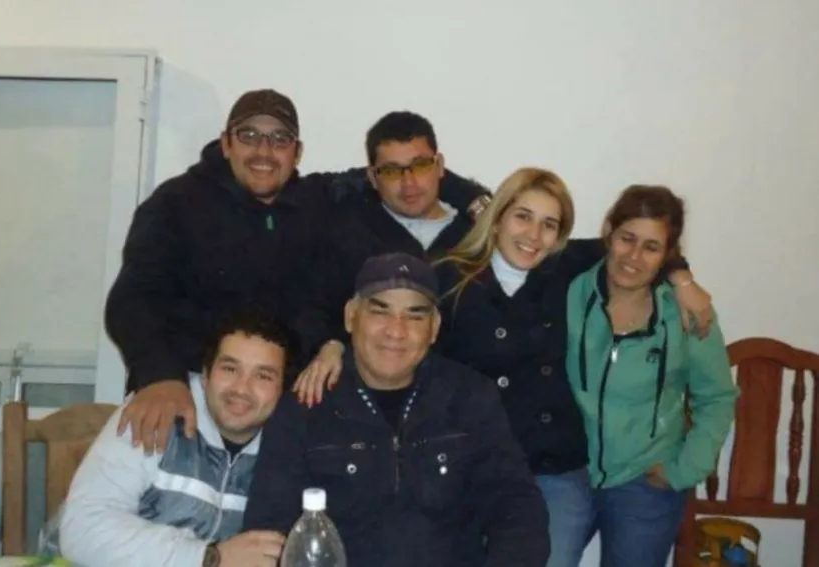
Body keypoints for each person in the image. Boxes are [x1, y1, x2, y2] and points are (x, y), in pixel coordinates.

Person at [292, 167, 715, 567]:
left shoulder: (567, 269)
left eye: (549, 225)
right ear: (497, 218)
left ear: (559, 237)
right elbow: (386, 312)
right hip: (463, 456)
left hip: (551, 465)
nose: (533, 235)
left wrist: (681, 278)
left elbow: (636, 248)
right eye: (523, 216)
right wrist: (334, 345)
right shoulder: (450, 276)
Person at [105, 89, 489, 452]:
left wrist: (474, 199)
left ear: (297, 152)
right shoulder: (176, 203)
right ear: (226, 143)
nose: (264, 151)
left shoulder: (316, 201)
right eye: (249, 135)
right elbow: (133, 298)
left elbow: (395, 172)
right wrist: (159, 376)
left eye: (280, 139)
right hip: (186, 388)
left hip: (282, 402)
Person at [242, 252, 550, 567]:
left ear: (434, 328)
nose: (396, 331)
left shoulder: (469, 398)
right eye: (380, 311)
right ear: (350, 317)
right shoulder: (307, 405)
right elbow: (269, 527)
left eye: (415, 316)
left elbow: (517, 506)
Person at [565, 185, 738, 567]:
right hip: (569, 469)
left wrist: (686, 468)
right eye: (627, 239)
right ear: (608, 232)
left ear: (668, 254)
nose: (634, 257)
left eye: (651, 247)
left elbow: (717, 396)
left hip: (646, 479)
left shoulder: (686, 313)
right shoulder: (568, 291)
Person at [60, 309, 296, 567]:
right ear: (205, 376)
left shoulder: (290, 448)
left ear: (282, 390)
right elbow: (82, 530)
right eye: (230, 368)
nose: (241, 388)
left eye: (263, 376)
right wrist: (208, 558)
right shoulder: (157, 412)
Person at [293, 110, 490, 398]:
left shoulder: (477, 233)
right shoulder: (347, 230)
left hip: (461, 397)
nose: (409, 183)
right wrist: (328, 344)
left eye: (420, 166)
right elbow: (313, 305)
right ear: (372, 178)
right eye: (391, 171)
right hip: (365, 392)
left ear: (440, 166)